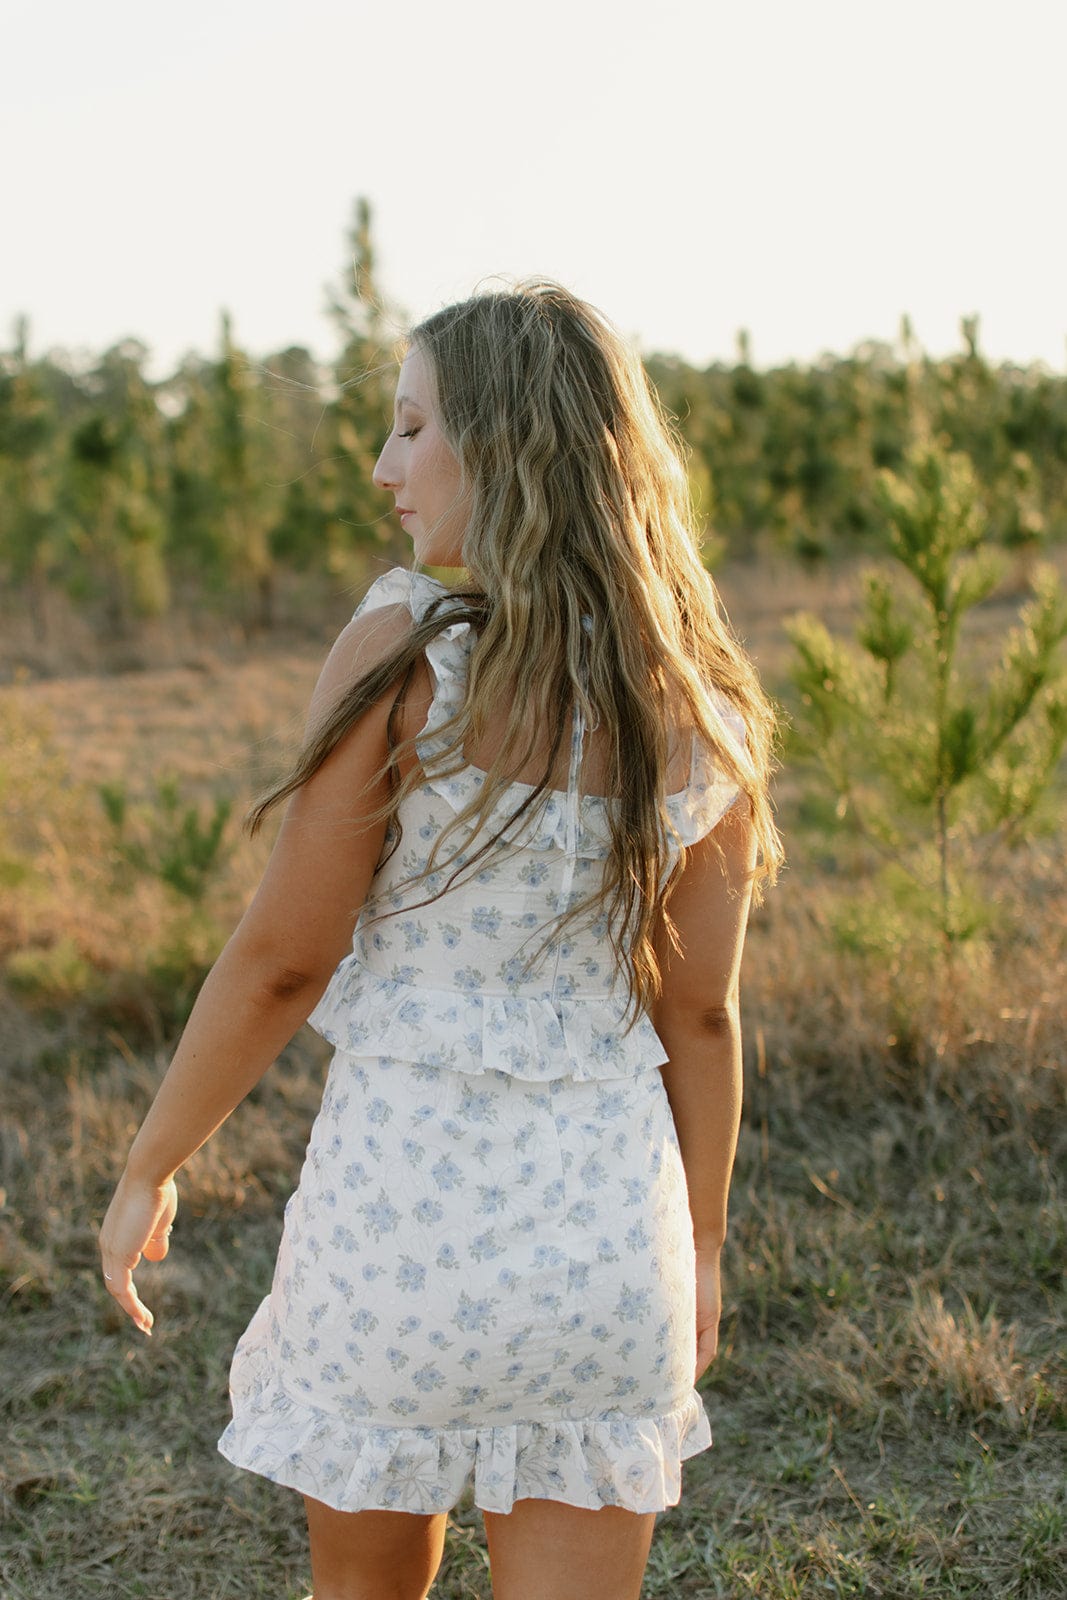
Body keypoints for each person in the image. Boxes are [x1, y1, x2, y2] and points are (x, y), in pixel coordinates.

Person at [99, 280, 782, 1600]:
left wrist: (151, 1161)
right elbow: (702, 1016)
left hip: (400, 1237)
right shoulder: (696, 702)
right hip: (602, 1247)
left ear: (506, 445)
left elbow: (282, 959)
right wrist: (697, 1246)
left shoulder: (411, 648)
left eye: (411, 429)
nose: (382, 466)